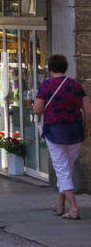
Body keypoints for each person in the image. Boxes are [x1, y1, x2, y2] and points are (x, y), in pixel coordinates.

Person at [33, 54, 90, 220]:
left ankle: (73, 209)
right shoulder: (75, 85)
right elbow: (88, 110)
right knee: (66, 168)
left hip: (55, 130)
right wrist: (86, 128)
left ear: (50, 68)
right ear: (65, 67)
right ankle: (60, 204)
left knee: (62, 169)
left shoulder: (46, 85)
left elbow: (37, 110)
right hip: (75, 131)